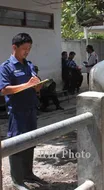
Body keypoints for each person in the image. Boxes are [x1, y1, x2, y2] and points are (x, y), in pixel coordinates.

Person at [0, 33, 46, 189]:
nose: (27, 51)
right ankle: (17, 180)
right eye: (24, 48)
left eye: (29, 48)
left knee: (31, 141)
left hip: (31, 109)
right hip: (17, 112)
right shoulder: (6, 67)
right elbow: (5, 90)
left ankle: (28, 173)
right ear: (15, 47)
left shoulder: (29, 65)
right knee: (16, 143)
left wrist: (38, 85)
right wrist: (26, 85)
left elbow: (35, 84)